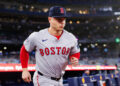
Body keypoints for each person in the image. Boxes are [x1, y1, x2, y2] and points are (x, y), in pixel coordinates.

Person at [20, 6, 80, 86]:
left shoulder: (71, 37)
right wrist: (24, 70)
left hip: (60, 79)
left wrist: (75, 58)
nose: (62, 22)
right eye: (58, 19)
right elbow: (24, 50)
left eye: (64, 19)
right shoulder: (37, 36)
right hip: (43, 79)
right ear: (50, 19)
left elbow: (75, 52)